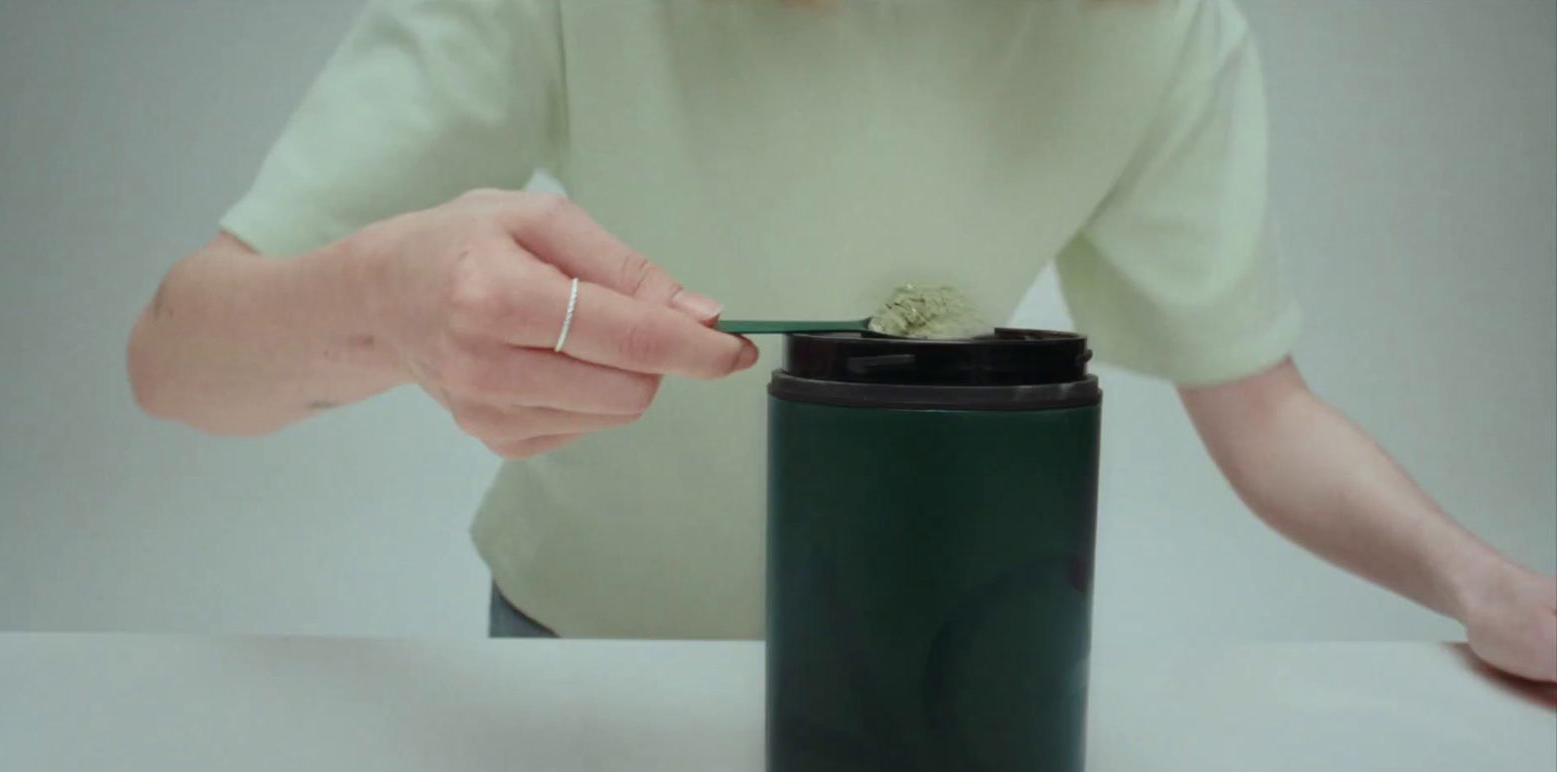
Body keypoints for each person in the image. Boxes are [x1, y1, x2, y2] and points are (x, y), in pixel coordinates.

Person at [126, 0, 1555, 681]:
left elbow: (1263, 403)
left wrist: (1485, 583)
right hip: (575, 667)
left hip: (932, 681)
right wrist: (383, 299)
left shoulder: (1158, 28)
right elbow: (176, 355)